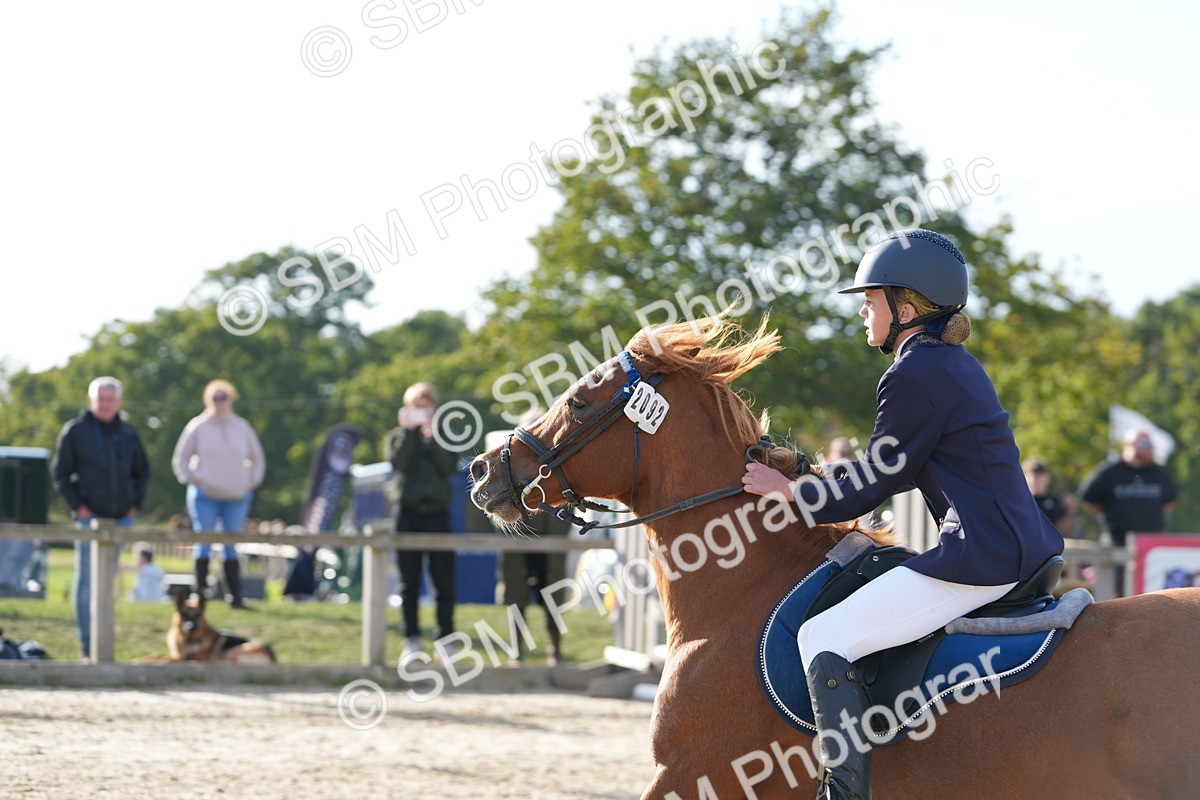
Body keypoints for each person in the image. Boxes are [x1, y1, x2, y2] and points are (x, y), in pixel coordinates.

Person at [742, 229, 1064, 800]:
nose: (862, 312)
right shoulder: (951, 363)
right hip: (1019, 544)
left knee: (823, 635)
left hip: (983, 555)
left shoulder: (912, 373)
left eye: (871, 301)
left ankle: (843, 793)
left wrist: (789, 492)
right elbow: (891, 465)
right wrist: (821, 477)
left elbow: (872, 485)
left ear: (906, 309)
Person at [51, 376, 150, 660]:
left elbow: (142, 472)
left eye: (110, 399)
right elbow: (60, 473)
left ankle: (103, 647)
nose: (105, 404)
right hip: (89, 519)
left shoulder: (128, 434)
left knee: (107, 582)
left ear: (119, 401)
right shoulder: (75, 431)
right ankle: (88, 647)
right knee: (86, 582)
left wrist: (134, 505)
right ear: (90, 400)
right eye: (100, 398)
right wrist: (79, 507)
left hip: (121, 519)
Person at [171, 379, 265, 609]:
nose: (220, 402)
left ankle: (235, 596)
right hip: (205, 495)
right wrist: (192, 478)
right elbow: (181, 459)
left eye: (224, 398)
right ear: (207, 400)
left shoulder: (241, 427)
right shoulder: (198, 426)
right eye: (215, 398)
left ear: (231, 400)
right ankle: (199, 594)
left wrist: (250, 483)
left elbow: (257, 459)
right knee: (204, 540)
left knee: (231, 544)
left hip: (236, 497)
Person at [388, 382, 458, 662]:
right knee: (409, 582)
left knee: (444, 582)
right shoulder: (398, 435)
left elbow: (449, 467)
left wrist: (434, 436)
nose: (421, 411)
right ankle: (411, 640)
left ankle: (446, 640)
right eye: (416, 407)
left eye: (426, 407)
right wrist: (410, 433)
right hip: (408, 513)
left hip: (438, 514)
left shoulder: (445, 435)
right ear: (407, 409)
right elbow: (399, 464)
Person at [1079, 428, 1177, 597]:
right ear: (1129, 445)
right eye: (1144, 443)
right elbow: (1088, 498)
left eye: (1151, 444)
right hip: (1117, 543)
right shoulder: (1110, 471)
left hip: (1150, 547)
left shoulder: (1159, 474)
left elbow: (1169, 501)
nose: (1149, 448)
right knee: (1116, 593)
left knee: (1151, 594)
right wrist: (1108, 517)